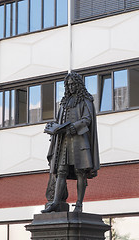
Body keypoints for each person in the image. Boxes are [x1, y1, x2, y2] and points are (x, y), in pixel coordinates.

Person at [42, 71, 100, 213]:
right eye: (69, 85)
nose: (71, 87)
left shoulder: (85, 100)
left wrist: (75, 126)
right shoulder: (64, 103)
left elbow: (87, 119)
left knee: (80, 172)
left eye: (73, 84)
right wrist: (53, 127)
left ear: (78, 84)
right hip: (64, 142)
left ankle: (79, 204)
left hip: (79, 141)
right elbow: (58, 120)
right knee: (61, 171)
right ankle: (56, 202)